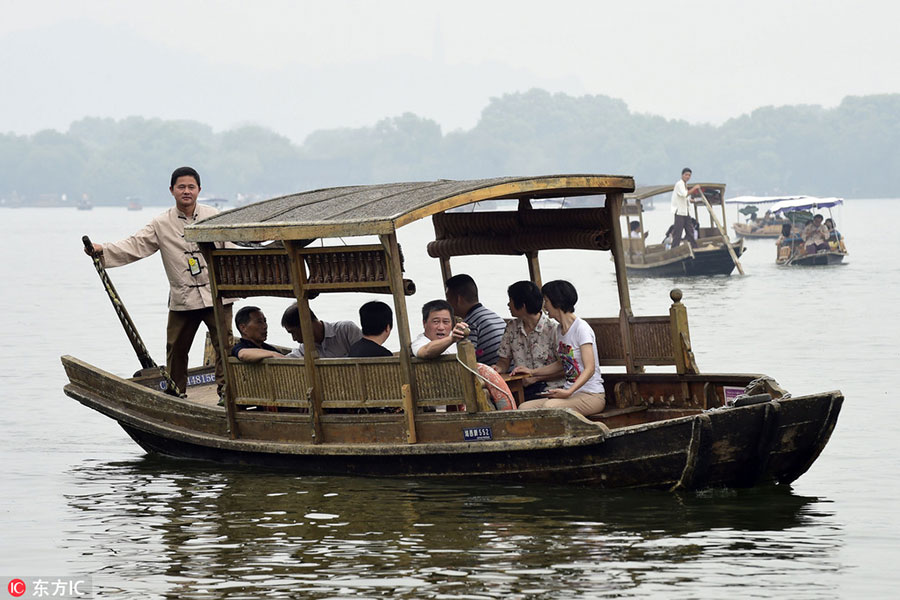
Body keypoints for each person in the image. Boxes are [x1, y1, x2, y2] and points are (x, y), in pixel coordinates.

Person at [83, 166, 233, 399]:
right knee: (176, 349)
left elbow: (232, 248)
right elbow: (136, 244)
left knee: (225, 345)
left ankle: (227, 393)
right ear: (172, 190)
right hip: (183, 297)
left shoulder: (214, 216)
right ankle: (175, 394)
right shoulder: (161, 223)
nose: (186, 191)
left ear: (199, 190)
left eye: (191, 187)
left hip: (216, 292)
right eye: (181, 187)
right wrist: (103, 250)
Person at [514, 280, 606, 417]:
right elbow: (561, 363)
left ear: (556, 302)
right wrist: (532, 372)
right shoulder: (559, 330)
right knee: (523, 408)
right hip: (570, 393)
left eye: (546, 301)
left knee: (549, 406)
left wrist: (569, 392)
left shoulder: (582, 328)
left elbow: (590, 368)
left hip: (591, 395)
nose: (544, 307)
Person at [492, 281, 564, 400]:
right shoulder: (511, 327)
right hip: (522, 389)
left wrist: (536, 377)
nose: (508, 305)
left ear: (523, 305)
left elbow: (565, 368)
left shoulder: (553, 329)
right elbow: (503, 361)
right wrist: (498, 368)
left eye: (511, 300)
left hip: (552, 389)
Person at [444, 274, 506, 366]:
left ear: (458, 299)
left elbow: (467, 360)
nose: (448, 305)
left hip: (497, 375)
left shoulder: (469, 324)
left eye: (448, 300)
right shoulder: (492, 315)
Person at [281, 303, 362, 358]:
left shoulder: (346, 330)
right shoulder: (304, 349)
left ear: (307, 323)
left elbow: (366, 354)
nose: (294, 338)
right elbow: (284, 360)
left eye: (294, 332)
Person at [670, 168, 701, 248]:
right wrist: (694, 188)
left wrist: (691, 200)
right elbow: (684, 194)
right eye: (686, 175)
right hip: (679, 212)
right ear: (682, 175)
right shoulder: (679, 184)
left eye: (689, 175)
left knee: (690, 231)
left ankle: (694, 247)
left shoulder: (684, 185)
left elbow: (685, 198)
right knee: (678, 232)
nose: (687, 177)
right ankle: (674, 249)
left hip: (685, 212)